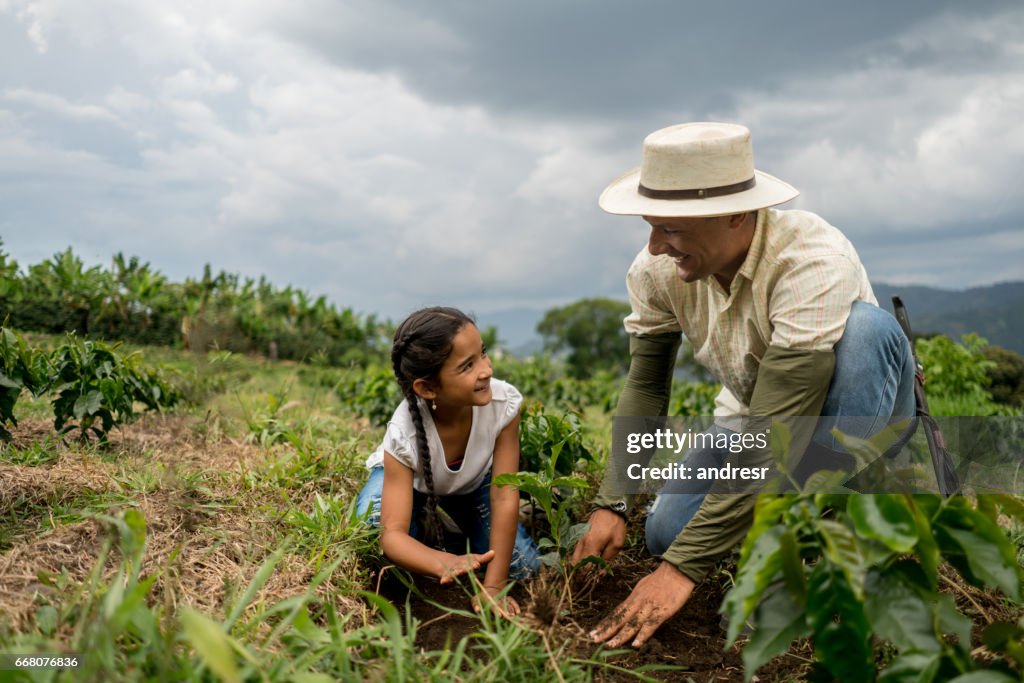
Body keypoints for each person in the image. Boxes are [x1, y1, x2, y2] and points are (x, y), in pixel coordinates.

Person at [570, 122, 917, 647]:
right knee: (665, 532)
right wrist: (612, 500)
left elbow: (783, 432)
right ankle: (778, 527)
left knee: (867, 330)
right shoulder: (657, 272)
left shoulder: (811, 261)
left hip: (854, 413)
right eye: (652, 225)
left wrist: (681, 572)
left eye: (672, 229)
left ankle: (820, 535)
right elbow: (646, 386)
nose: (656, 244)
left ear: (737, 215)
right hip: (754, 417)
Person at [355, 306, 541, 616]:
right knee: (373, 533)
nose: (486, 370)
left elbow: (504, 495)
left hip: (471, 485)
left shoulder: (503, 405)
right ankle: (427, 524)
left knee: (525, 566)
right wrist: (441, 562)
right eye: (467, 366)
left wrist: (493, 588)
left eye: (483, 354)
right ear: (427, 388)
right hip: (412, 485)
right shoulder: (405, 433)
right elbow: (392, 533)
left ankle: (454, 527)